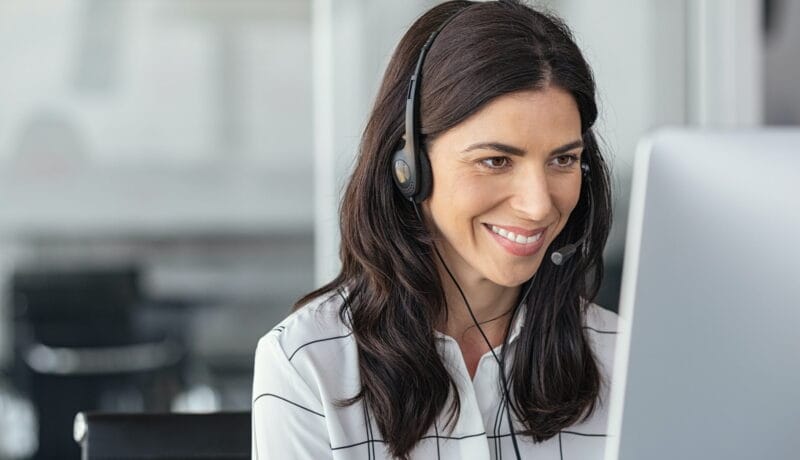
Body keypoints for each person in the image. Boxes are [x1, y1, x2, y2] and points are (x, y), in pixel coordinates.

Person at [252, 1, 617, 459]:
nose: (538, 204)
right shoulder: (307, 364)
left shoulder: (627, 361)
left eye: (562, 160)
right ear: (409, 168)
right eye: (495, 161)